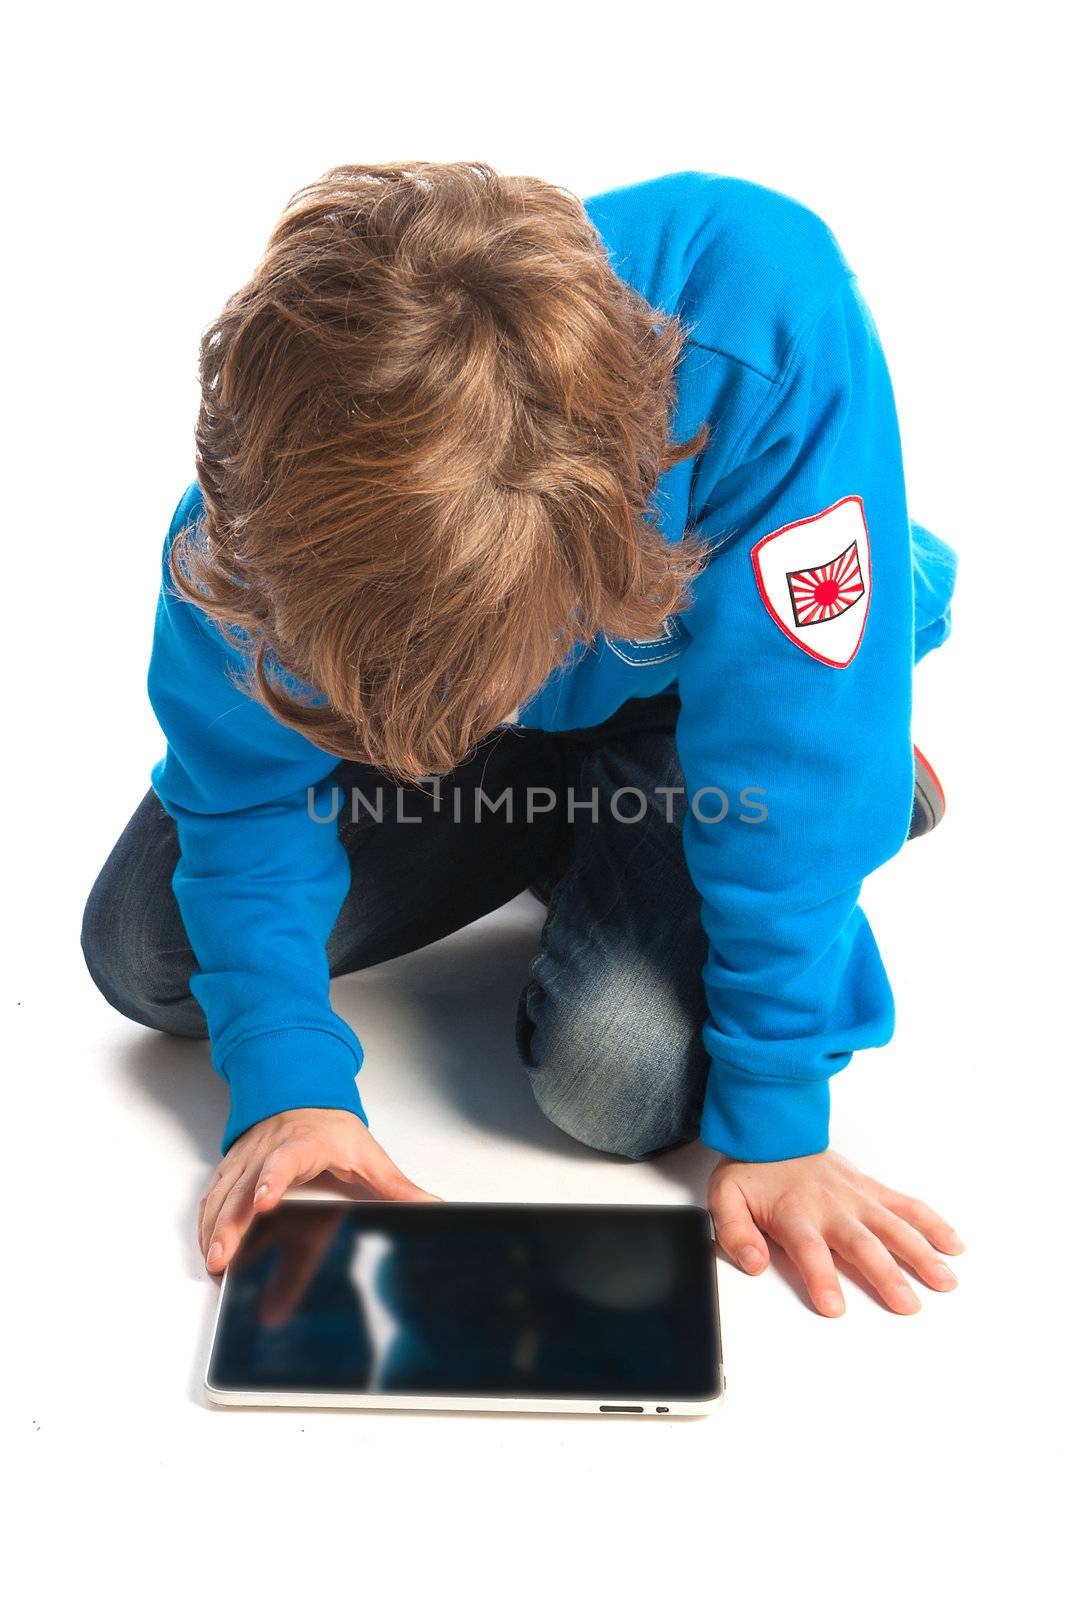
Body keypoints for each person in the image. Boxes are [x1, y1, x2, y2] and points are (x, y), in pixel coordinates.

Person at [80, 161, 964, 1319]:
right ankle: (568, 822)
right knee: (144, 952)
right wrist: (291, 1085)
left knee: (617, 1079)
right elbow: (242, 798)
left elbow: (793, 771)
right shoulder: (252, 527)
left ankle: (855, 770)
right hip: (469, 701)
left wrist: (780, 1112)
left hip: (719, 689)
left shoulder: (763, 317)